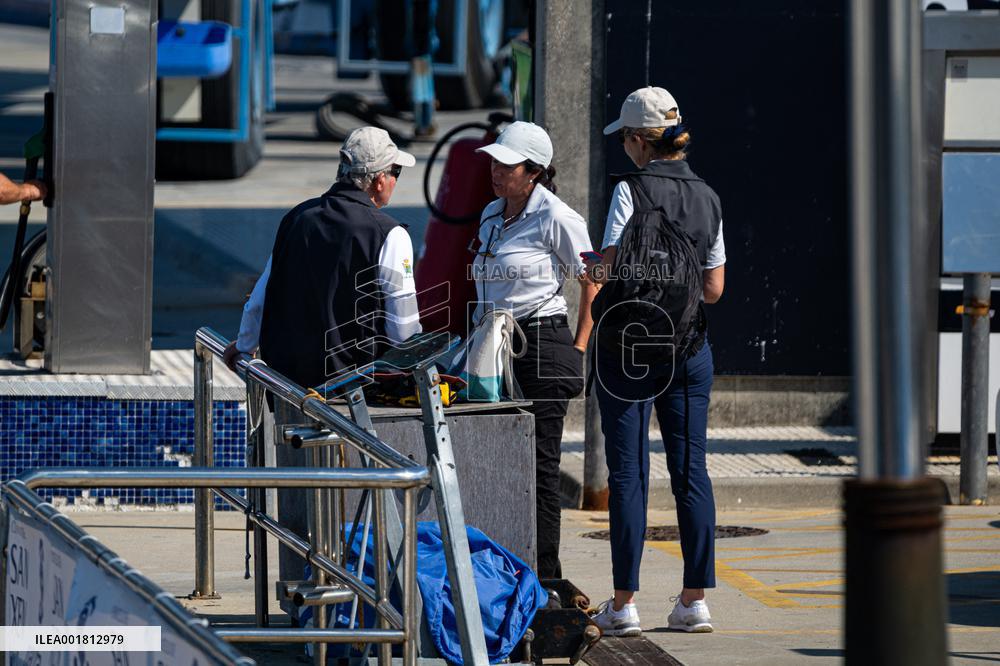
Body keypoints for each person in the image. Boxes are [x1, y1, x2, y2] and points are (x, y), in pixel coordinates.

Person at [223, 126, 422, 612]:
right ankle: (345, 617)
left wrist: (242, 347)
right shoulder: (388, 233)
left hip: (289, 389)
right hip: (348, 400)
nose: (396, 181)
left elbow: (262, 295)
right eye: (395, 172)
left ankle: (302, 612)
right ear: (376, 180)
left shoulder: (297, 218)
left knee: (299, 507)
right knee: (348, 512)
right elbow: (403, 331)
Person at [586, 87, 726, 636]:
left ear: (642, 141)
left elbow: (606, 270)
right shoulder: (709, 197)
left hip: (628, 349)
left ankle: (623, 605)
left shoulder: (630, 191)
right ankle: (693, 602)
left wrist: (589, 268)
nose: (623, 146)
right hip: (689, 349)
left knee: (630, 475)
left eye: (625, 137)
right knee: (691, 471)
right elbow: (714, 288)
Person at [472, 121, 599, 579]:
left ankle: (545, 577)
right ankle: (502, 572)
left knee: (540, 469)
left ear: (535, 172)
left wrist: (579, 345)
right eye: (494, 161)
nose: (496, 171)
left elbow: (595, 277)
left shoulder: (557, 216)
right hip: (495, 349)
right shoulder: (490, 213)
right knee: (498, 465)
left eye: (508, 164)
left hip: (542, 344)